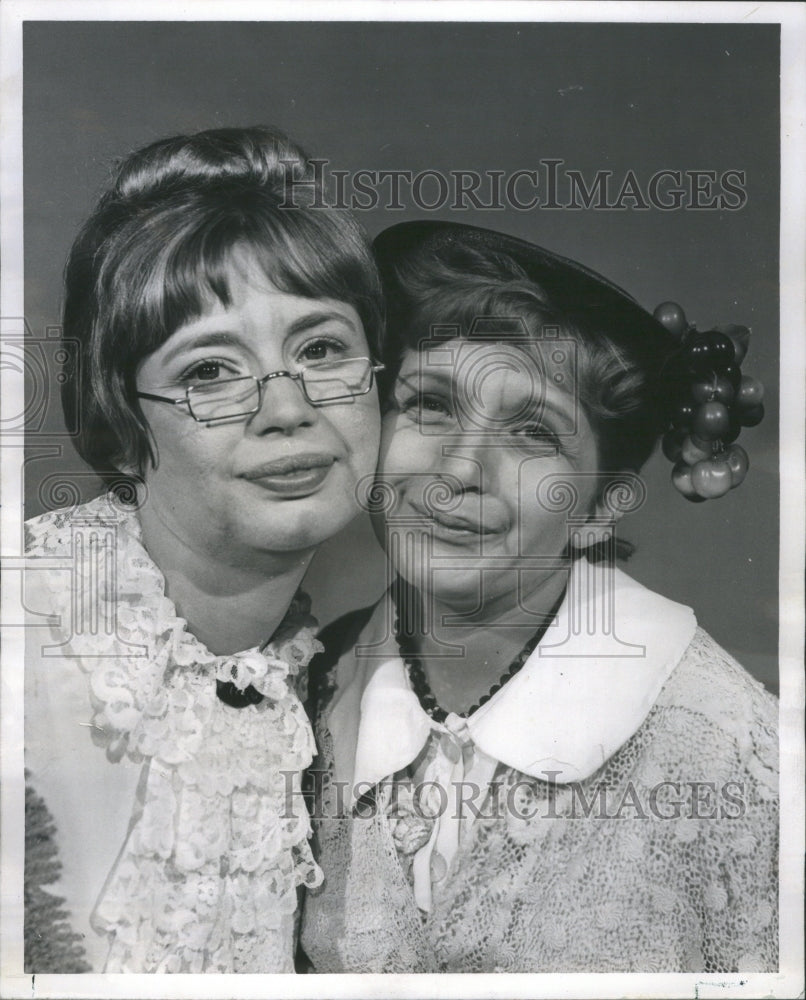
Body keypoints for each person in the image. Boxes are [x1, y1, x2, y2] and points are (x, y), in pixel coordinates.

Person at [300, 220, 778, 973]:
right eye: (429, 404)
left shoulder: (723, 747)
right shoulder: (312, 693)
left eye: (532, 432)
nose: (460, 469)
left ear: (598, 508)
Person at [23, 126, 383, 973]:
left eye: (322, 348)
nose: (287, 408)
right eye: (209, 372)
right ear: (118, 428)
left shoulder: (319, 684)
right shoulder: (25, 631)